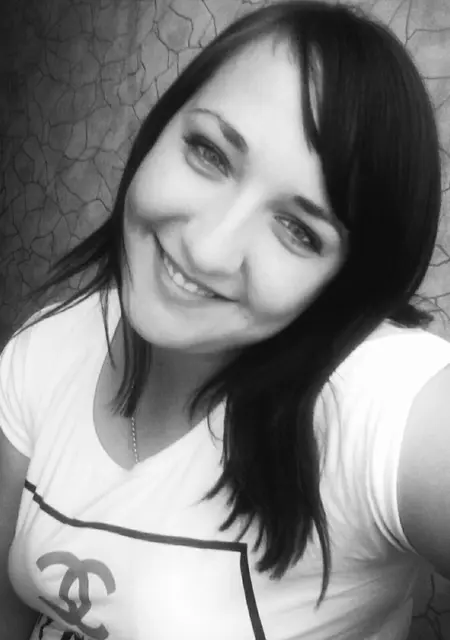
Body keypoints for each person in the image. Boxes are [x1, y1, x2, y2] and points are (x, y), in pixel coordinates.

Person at [1, 1, 449, 638]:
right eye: (209, 153)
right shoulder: (43, 348)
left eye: (298, 230)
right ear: (161, 129)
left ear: (345, 284)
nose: (209, 250)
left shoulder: (370, 405)